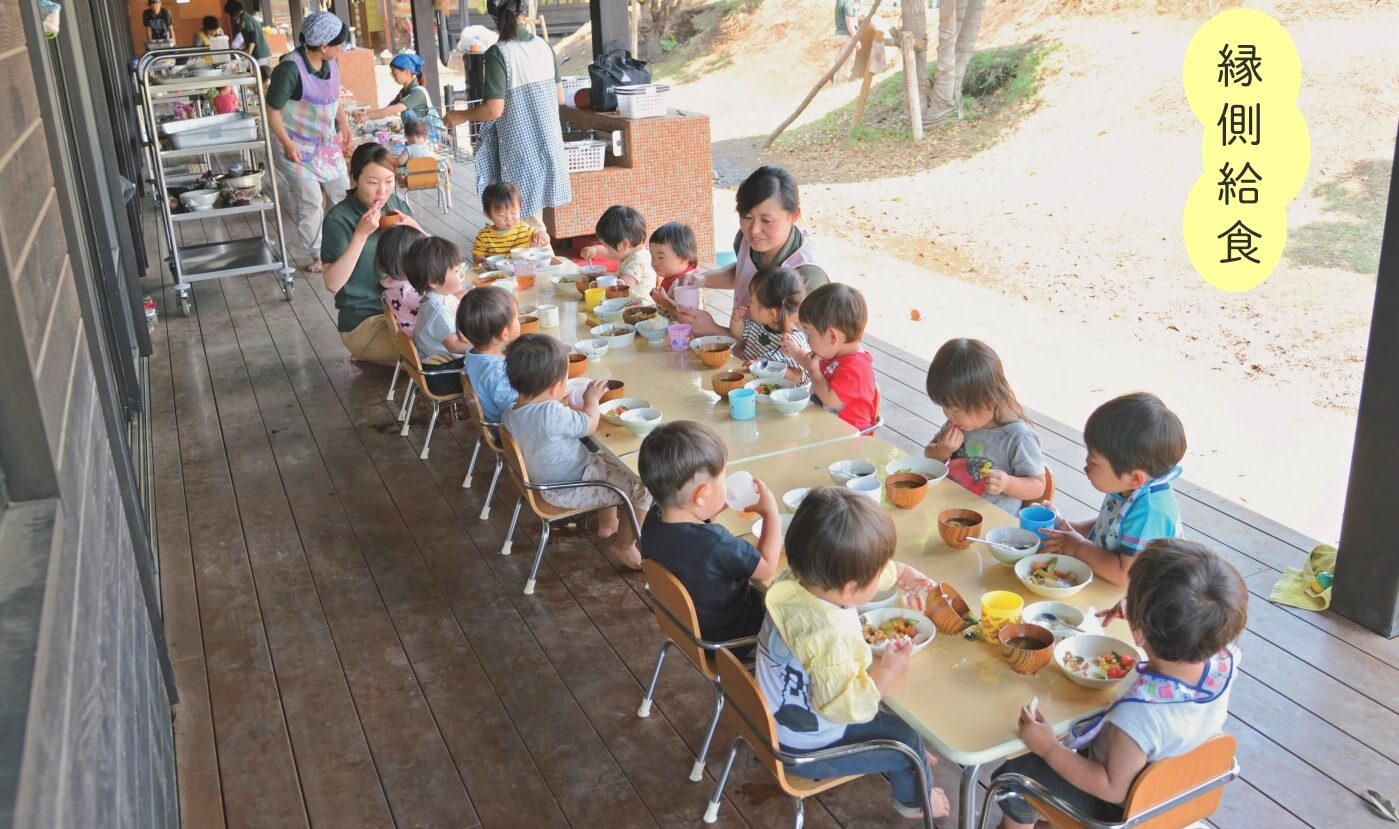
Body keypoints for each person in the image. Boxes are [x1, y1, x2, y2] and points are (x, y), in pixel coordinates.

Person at [992, 538, 1246, 829]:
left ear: (1138, 632)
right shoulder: (1225, 661)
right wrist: (1144, 616)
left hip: (1120, 813)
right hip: (1178, 792)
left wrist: (1048, 747)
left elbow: (1111, 787)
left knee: (1019, 769)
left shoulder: (1139, 716)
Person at [756, 487, 949, 821]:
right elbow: (849, 708)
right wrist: (888, 671)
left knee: (903, 721)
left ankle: (915, 755)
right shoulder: (833, 637)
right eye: (881, 570)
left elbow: (848, 571)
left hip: (771, 722)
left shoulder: (794, 580)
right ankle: (916, 801)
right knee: (905, 737)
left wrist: (900, 573)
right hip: (808, 749)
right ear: (850, 587)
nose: (884, 571)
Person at [502, 335, 653, 568]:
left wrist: (560, 404)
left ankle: (608, 524)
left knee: (607, 461)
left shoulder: (511, 412)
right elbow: (590, 424)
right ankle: (624, 546)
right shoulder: (550, 413)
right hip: (570, 486)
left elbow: (546, 429)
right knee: (642, 485)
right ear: (555, 387)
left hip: (545, 480)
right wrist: (591, 399)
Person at [637, 421, 782, 651]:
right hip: (735, 639)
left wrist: (710, 510)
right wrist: (770, 512)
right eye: (722, 479)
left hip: (688, 631)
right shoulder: (716, 544)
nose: (726, 483)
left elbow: (690, 546)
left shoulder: (654, 521)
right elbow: (767, 568)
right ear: (701, 495)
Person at [441, 0, 570, 226]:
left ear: (494, 18)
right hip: (549, 149)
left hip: (521, 154)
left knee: (527, 230)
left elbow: (494, 109)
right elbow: (560, 98)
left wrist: (461, 115)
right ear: (523, 12)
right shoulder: (544, 47)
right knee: (532, 223)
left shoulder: (499, 53)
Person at [1039, 393, 1187, 586]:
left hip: (1143, 600)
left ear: (1135, 478)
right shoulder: (1129, 486)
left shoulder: (1150, 511)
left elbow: (1125, 575)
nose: (1085, 466)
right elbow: (1112, 524)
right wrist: (1067, 529)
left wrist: (1077, 547)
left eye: (1093, 461)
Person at [666, 166, 830, 338]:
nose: (754, 230)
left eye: (766, 220)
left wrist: (715, 330)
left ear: (794, 215)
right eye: (747, 217)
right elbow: (744, 270)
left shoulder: (808, 277)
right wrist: (703, 279)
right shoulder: (746, 241)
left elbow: (793, 352)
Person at [267, 11, 353, 273]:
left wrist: (344, 124)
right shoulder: (290, 69)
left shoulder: (332, 63)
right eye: (339, 44)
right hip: (297, 148)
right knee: (311, 201)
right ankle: (318, 254)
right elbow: (272, 110)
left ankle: (346, 246)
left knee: (341, 195)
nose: (342, 49)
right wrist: (287, 144)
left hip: (326, 145)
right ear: (323, 46)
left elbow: (334, 96)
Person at [322, 143, 421, 364]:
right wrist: (361, 235)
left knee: (460, 336)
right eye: (372, 183)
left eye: (389, 181)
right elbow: (332, 283)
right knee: (429, 350)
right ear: (354, 180)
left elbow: (429, 258)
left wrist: (416, 228)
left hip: (406, 311)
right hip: (365, 322)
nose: (382, 191)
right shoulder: (339, 219)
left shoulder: (394, 205)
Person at [923, 338, 1046, 513]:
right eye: (945, 408)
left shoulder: (1018, 436)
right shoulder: (958, 423)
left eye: (955, 410)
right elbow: (930, 457)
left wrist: (1008, 483)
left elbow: (1038, 485)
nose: (949, 416)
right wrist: (943, 450)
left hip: (993, 522)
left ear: (988, 402)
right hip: (950, 510)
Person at [782, 283, 879, 433]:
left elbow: (830, 400)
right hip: (825, 428)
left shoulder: (856, 369)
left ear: (832, 336)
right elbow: (811, 362)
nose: (807, 339)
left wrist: (814, 371)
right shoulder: (835, 353)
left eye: (809, 333)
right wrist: (795, 351)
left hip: (848, 440)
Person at [406, 237, 469, 395]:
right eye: (455, 271)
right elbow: (454, 345)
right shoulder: (437, 310)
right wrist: (488, 347)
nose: (462, 274)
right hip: (446, 374)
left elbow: (453, 300)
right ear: (433, 280)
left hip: (441, 366)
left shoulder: (436, 296)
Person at [735, 267, 809, 382]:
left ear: (772, 313)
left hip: (780, 395)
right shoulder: (760, 325)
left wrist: (765, 367)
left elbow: (797, 377)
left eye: (752, 301)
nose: (748, 303)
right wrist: (736, 321)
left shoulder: (792, 342)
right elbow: (739, 334)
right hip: (756, 386)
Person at [459, 285, 522, 423]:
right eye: (517, 317)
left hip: (492, 420)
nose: (519, 321)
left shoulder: (473, 354)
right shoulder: (497, 371)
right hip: (507, 430)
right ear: (504, 333)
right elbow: (517, 412)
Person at [580, 206, 655, 293]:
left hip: (637, 305)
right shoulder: (631, 252)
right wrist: (595, 249)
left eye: (607, 247)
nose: (607, 250)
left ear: (624, 244)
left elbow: (621, 290)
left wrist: (599, 282)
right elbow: (612, 254)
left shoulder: (637, 261)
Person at [472, 182, 548, 265]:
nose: (509, 219)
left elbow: (545, 239)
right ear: (488, 214)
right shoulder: (484, 235)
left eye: (513, 213)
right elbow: (477, 256)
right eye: (502, 215)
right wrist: (484, 263)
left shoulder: (524, 229)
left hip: (522, 271)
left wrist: (542, 236)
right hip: (498, 275)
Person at [357, 52, 434, 129]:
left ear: (407, 72)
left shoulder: (417, 93)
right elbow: (387, 109)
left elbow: (392, 110)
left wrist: (367, 116)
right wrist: (365, 114)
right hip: (416, 135)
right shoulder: (403, 92)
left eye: (394, 72)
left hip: (429, 137)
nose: (393, 76)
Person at [377, 224, 427, 334]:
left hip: (405, 337)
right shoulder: (409, 291)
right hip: (421, 338)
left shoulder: (390, 281)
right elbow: (434, 305)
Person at [649, 222, 701, 296]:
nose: (654, 262)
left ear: (684, 258)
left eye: (660, 257)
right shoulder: (672, 275)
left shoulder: (686, 284)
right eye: (652, 256)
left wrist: (664, 301)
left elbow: (684, 308)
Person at [224, 1, 272, 67]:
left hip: (260, 55)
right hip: (262, 54)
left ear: (233, 12)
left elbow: (253, 37)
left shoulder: (245, 19)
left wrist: (248, 54)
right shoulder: (245, 17)